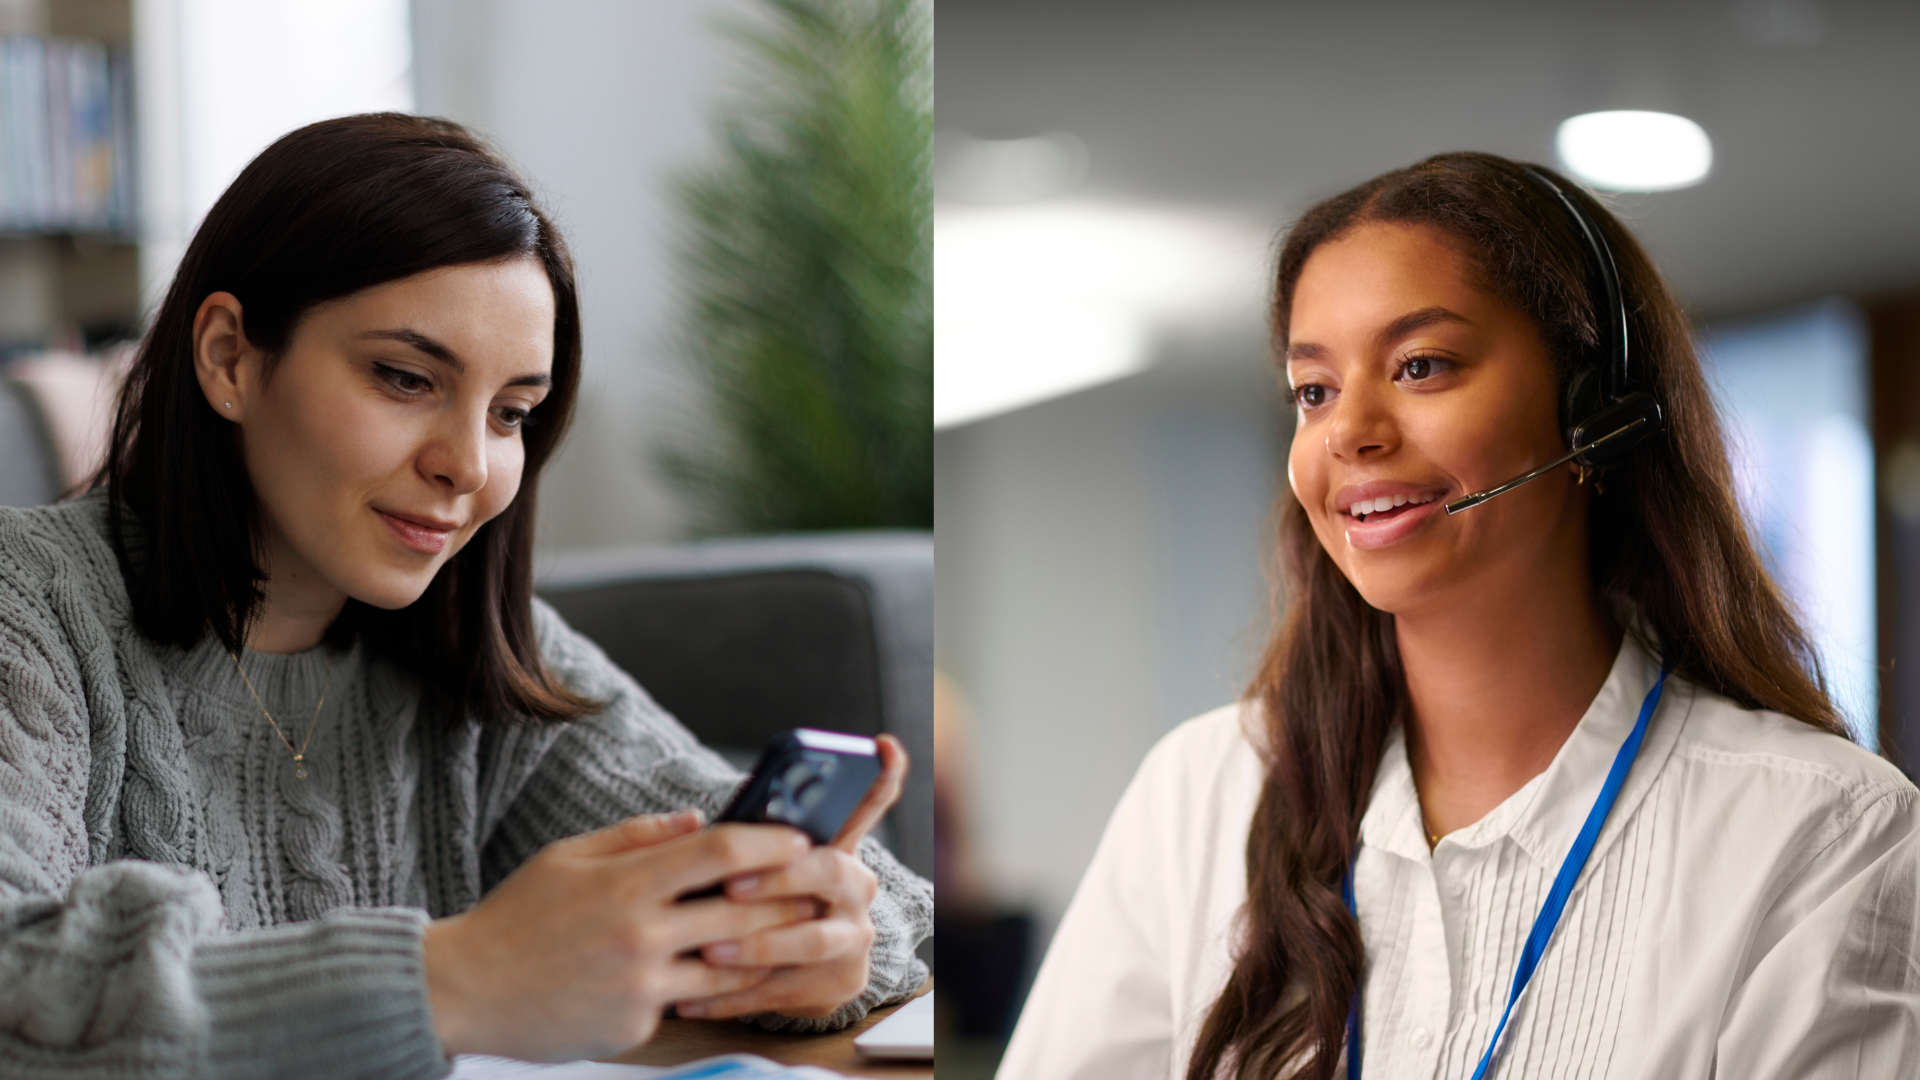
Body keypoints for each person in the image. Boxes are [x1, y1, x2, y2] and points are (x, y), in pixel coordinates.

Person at [0, 113, 932, 1079]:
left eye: (512, 414)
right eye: (404, 378)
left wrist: (819, 940)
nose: (467, 465)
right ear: (230, 356)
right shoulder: (26, 608)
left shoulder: (482, 647)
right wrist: (457, 977)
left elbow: (900, 914)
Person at [997, 152, 1920, 1079]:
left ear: (1594, 411)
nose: (1350, 431)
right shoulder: (1204, 791)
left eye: (1420, 366)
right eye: (1313, 390)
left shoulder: (1821, 830)